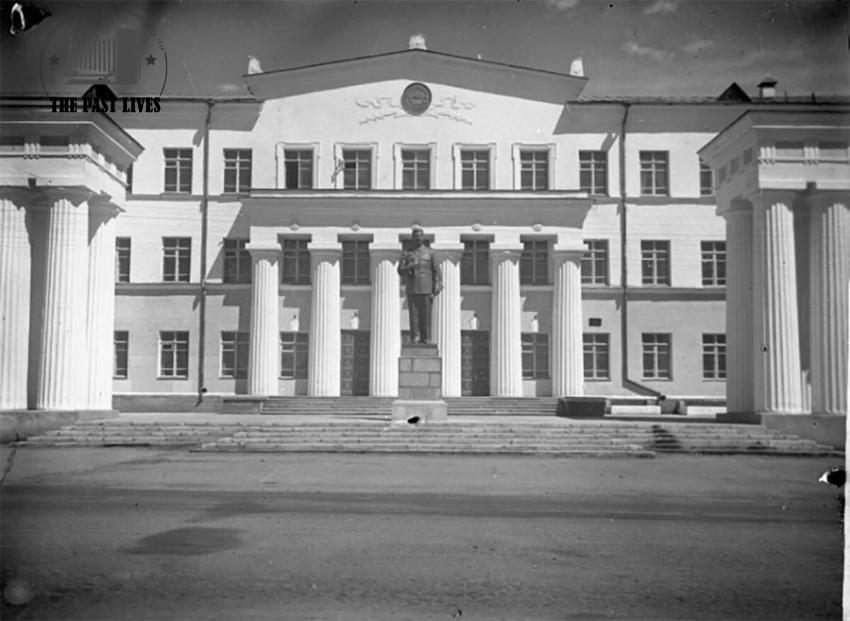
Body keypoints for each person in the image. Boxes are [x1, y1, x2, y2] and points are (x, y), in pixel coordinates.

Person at [398, 225, 442, 344]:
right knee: (414, 315)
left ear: (422, 238)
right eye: (415, 236)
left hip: (427, 288)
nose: (417, 238)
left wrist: (437, 286)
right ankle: (415, 337)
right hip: (412, 288)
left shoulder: (430, 253)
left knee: (426, 315)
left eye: (419, 236)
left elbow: (436, 271)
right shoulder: (407, 254)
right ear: (412, 238)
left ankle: (426, 338)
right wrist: (409, 267)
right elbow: (400, 270)